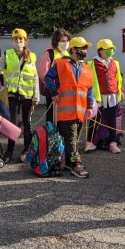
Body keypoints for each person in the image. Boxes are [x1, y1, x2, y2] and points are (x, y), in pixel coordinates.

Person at [44, 36, 95, 179]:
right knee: (71, 139)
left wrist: (90, 106)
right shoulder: (61, 64)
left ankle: (68, 162)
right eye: (83, 48)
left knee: (73, 139)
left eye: (86, 48)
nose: (85, 51)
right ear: (74, 49)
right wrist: (53, 91)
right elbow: (48, 77)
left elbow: (89, 89)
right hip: (66, 111)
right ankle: (75, 164)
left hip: (80, 111)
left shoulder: (87, 68)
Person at [0, 28, 40, 163]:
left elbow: (35, 77)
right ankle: (9, 151)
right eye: (15, 39)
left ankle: (26, 150)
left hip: (28, 96)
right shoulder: (7, 54)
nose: (18, 41)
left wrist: (37, 96)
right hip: (13, 95)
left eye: (20, 39)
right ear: (12, 41)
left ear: (25, 41)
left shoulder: (32, 56)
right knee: (13, 124)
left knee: (27, 123)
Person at [86, 38, 124, 154]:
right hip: (98, 97)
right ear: (101, 50)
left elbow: (119, 79)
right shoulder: (92, 63)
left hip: (112, 96)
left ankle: (112, 143)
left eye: (112, 49)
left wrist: (121, 91)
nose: (111, 51)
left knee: (112, 121)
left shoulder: (115, 62)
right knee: (95, 120)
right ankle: (89, 142)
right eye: (109, 49)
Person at [38, 28, 71, 124]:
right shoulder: (49, 53)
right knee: (51, 116)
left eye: (67, 41)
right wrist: (52, 89)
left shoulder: (67, 53)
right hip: (52, 91)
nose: (65, 43)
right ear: (56, 41)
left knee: (61, 116)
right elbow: (42, 72)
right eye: (62, 41)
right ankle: (51, 136)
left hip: (64, 91)